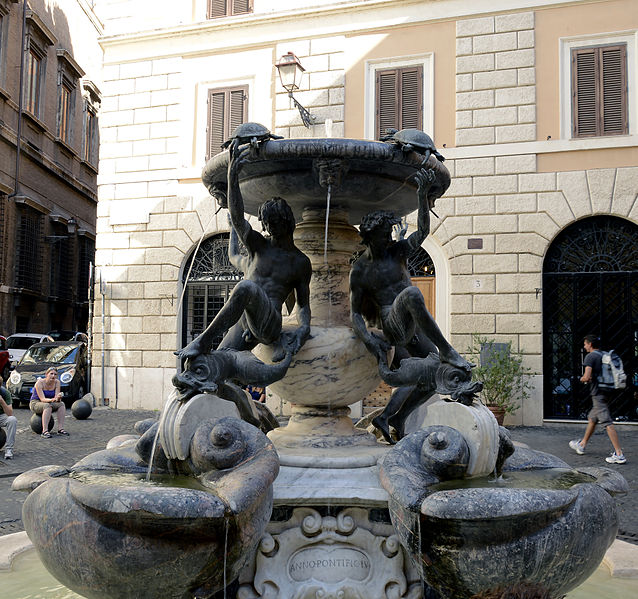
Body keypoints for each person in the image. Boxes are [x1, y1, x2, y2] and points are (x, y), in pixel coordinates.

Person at [349, 168, 471, 442]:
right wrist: (367, 338)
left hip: (412, 326)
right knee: (413, 295)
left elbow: (424, 231)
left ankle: (392, 418)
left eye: (389, 233)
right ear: (370, 237)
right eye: (383, 235)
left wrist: (422, 197)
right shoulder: (361, 269)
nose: (389, 238)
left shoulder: (397, 251)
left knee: (433, 376)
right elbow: (355, 313)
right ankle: (448, 350)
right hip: (391, 324)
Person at [177, 139, 312, 363]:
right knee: (214, 365)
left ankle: (202, 340)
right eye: (267, 223)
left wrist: (303, 329)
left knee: (246, 287)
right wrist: (232, 176)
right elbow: (239, 220)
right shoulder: (260, 246)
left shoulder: (300, 262)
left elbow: (303, 304)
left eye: (275, 222)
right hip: (245, 320)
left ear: (287, 221)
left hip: (269, 325)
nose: (270, 228)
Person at [569, 334, 626, 464]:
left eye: (585, 344)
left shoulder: (590, 357)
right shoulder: (603, 355)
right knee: (592, 418)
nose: (584, 347)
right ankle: (582, 445)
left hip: (597, 393)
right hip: (607, 391)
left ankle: (619, 454)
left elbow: (587, 376)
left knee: (607, 422)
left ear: (590, 344)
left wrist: (581, 378)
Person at [30, 367, 69, 438]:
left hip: (50, 402)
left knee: (61, 404)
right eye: (51, 374)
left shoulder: (57, 382)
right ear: (46, 374)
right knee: (47, 406)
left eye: (55, 374)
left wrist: (59, 398)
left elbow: (57, 399)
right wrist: (52, 400)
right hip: (36, 403)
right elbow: (42, 399)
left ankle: (60, 428)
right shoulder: (40, 383)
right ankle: (44, 431)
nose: (53, 376)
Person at [0, 376, 17, 459]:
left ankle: (9, 449)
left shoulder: (5, 393)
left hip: (1, 416)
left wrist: (2, 402)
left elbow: (10, 413)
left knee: (12, 420)